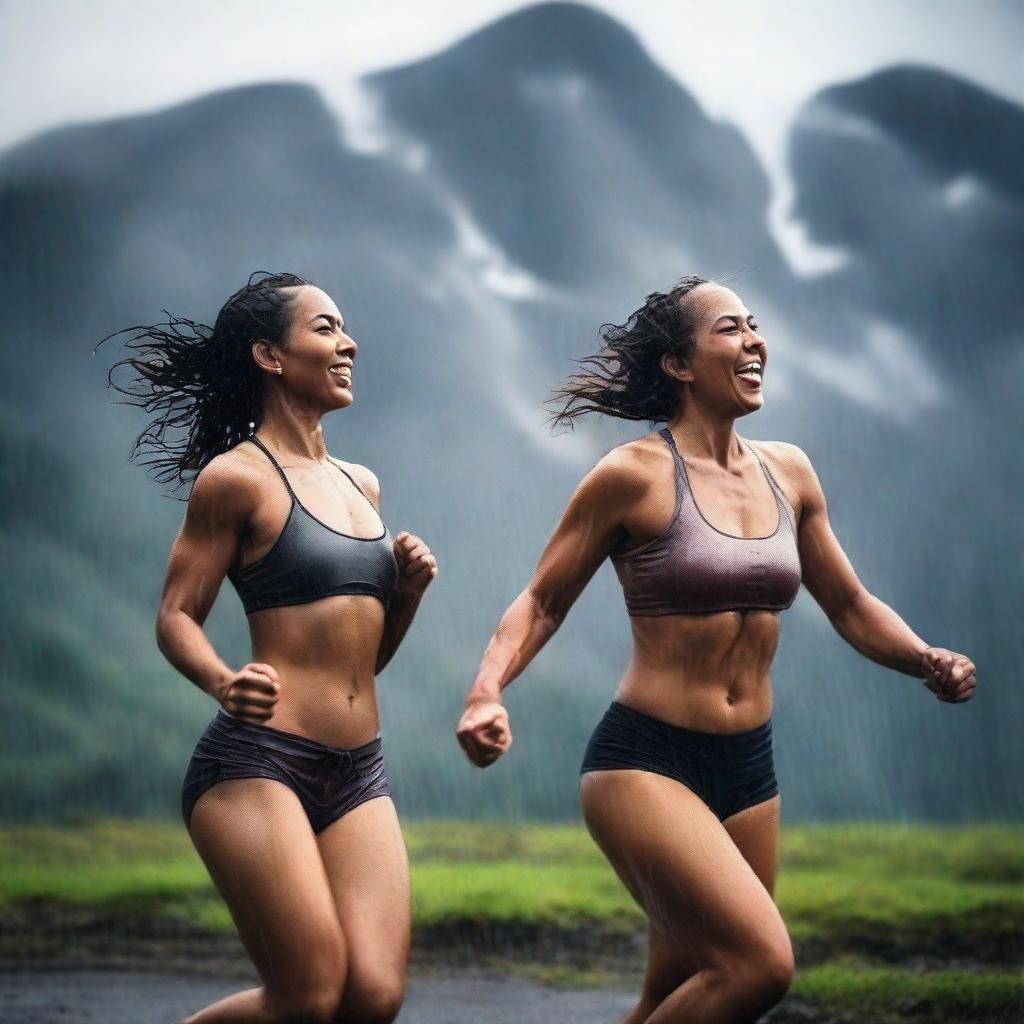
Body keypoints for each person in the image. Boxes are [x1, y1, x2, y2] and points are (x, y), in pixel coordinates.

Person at [455, 275, 977, 1024]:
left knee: (677, 993)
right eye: (730, 328)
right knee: (758, 966)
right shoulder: (631, 475)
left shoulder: (788, 472)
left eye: (755, 325)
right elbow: (542, 600)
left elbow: (852, 605)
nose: (754, 340)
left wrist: (926, 658)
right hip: (646, 761)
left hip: (747, 769)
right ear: (679, 364)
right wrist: (485, 692)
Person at [97, 272, 437, 1024]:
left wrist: (405, 593)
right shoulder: (235, 480)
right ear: (269, 355)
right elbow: (176, 616)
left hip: (358, 769)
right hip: (256, 765)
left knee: (373, 996)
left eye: (344, 328)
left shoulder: (362, 485)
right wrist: (223, 681)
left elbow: (363, 664)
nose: (348, 343)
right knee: (308, 994)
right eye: (325, 328)